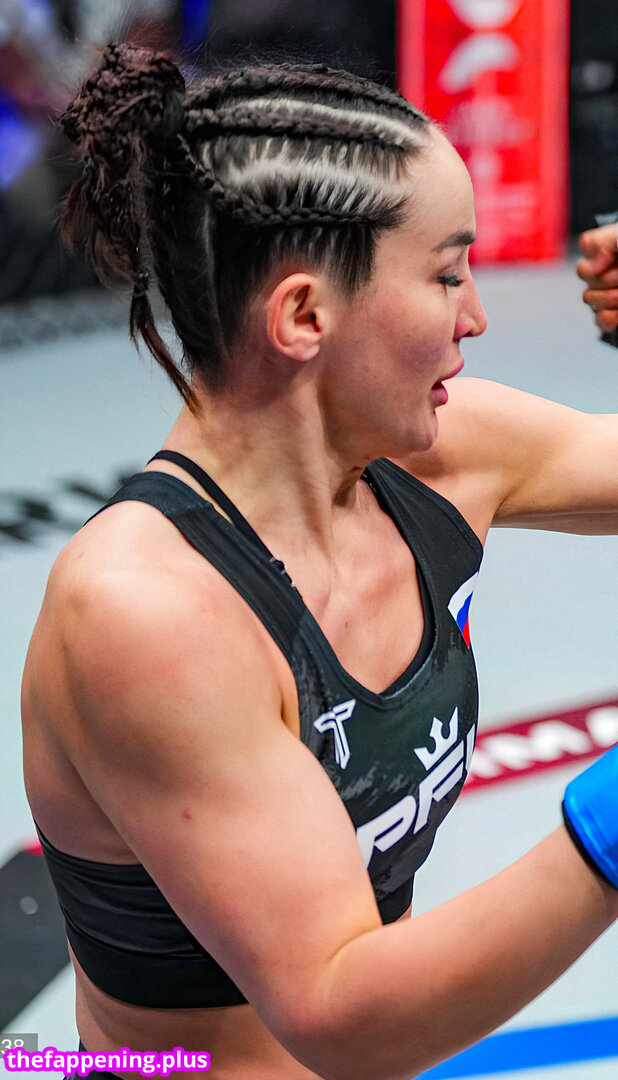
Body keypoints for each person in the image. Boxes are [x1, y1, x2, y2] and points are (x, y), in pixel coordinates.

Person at [21, 42, 618, 1080]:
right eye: (446, 274)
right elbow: (338, 1010)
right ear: (304, 315)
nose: (477, 316)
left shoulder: (436, 457)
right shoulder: (147, 612)